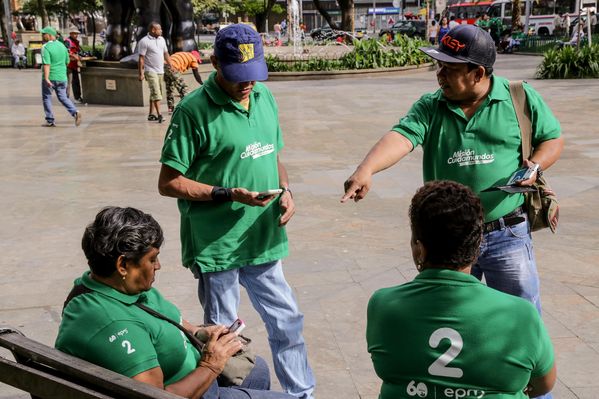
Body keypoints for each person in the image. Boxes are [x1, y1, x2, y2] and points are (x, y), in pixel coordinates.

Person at [342, 25, 563, 343]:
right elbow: (402, 136)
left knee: (522, 322)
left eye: (450, 68)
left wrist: (537, 165)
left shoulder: (519, 97)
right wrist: (366, 169)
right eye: (439, 66)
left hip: (508, 234)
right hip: (450, 242)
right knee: (450, 324)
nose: (440, 74)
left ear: (477, 73)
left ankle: (535, 392)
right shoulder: (431, 106)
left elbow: (552, 139)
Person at [158, 24, 315, 399]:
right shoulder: (192, 111)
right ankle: (230, 396)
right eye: (238, 77)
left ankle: (301, 394)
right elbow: (168, 182)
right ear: (215, 64)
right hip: (218, 247)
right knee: (224, 340)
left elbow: (273, 154)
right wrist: (226, 193)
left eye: (253, 75)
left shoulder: (264, 98)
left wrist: (287, 190)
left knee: (287, 325)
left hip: (264, 239)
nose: (247, 84)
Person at [55, 206, 295, 399]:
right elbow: (153, 396)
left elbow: (169, 318)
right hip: (189, 389)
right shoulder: (115, 325)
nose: (158, 265)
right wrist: (211, 365)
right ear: (122, 265)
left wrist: (200, 331)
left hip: (194, 375)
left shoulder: (108, 285)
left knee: (257, 369)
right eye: (152, 259)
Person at [367, 180, 557, 399]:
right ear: (477, 247)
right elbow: (544, 383)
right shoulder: (522, 315)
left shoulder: (383, 305)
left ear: (419, 249)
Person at [40, 26, 82, 127]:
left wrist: (46, 78)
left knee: (47, 98)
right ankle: (75, 112)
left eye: (43, 34)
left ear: (50, 35)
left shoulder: (45, 47)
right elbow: (67, 61)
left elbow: (46, 64)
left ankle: (50, 120)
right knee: (63, 97)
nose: (42, 36)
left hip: (50, 76)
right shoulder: (63, 46)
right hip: (62, 77)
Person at [138, 22, 173, 123]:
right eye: (159, 29)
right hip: (150, 71)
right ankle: (159, 115)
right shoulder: (144, 41)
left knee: (155, 92)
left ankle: (150, 114)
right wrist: (141, 73)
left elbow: (166, 53)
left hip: (160, 71)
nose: (161, 31)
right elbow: (141, 59)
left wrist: (171, 65)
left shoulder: (162, 40)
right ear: (153, 30)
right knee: (156, 93)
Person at [64, 27, 83, 102]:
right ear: (70, 34)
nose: (76, 35)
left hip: (75, 64)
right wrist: (73, 55)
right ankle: (65, 98)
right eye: (74, 33)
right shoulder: (67, 41)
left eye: (77, 34)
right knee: (68, 82)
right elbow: (66, 52)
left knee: (76, 81)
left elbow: (78, 51)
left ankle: (77, 97)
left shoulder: (76, 42)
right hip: (69, 64)